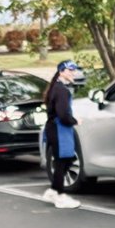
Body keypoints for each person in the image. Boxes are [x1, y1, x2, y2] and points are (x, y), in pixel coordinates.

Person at [42, 59, 83, 209]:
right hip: (59, 130)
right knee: (62, 162)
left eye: (74, 70)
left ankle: (53, 190)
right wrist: (75, 120)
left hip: (55, 129)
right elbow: (63, 115)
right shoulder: (62, 91)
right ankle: (59, 196)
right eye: (69, 70)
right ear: (61, 71)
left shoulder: (56, 88)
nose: (73, 72)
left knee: (67, 159)